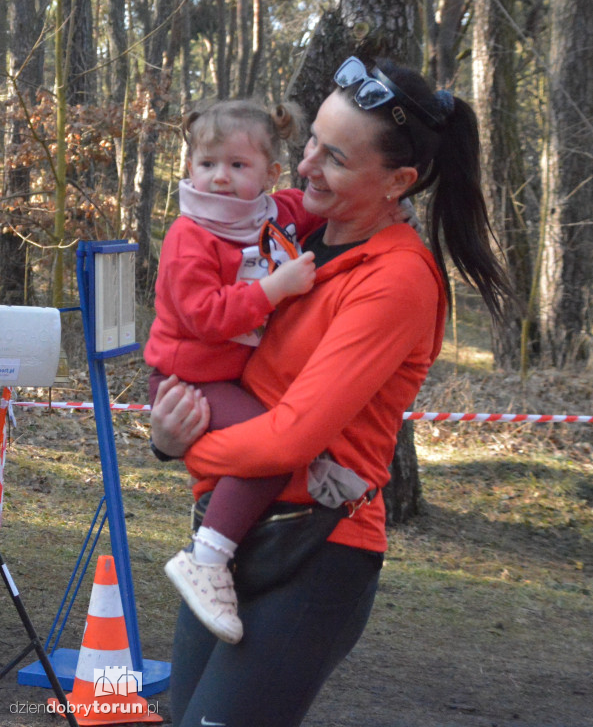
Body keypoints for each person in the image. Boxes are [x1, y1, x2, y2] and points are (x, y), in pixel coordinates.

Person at [150, 55, 512, 727]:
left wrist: (189, 451)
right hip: (227, 535)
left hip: (314, 549)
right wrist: (165, 434)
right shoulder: (294, 231)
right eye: (312, 139)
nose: (308, 164)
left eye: (336, 158)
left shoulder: (397, 280)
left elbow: (294, 434)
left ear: (396, 181)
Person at [144, 99, 323, 645]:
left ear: (270, 174)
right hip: (187, 377)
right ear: (189, 167)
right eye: (207, 163)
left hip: (231, 379)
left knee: (280, 442)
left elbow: (325, 208)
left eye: (238, 166)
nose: (219, 178)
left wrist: (395, 210)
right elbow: (204, 316)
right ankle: (207, 558)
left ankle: (315, 473)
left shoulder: (277, 213)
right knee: (271, 448)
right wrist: (275, 289)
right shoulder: (189, 235)